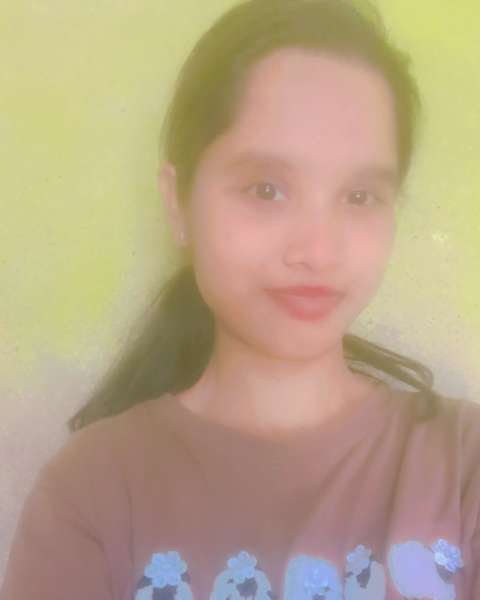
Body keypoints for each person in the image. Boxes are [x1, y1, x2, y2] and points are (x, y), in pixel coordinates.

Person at [1, 0, 479, 598]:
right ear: (179, 204)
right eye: (267, 189)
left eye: (359, 196)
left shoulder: (462, 466)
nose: (318, 251)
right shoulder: (93, 490)